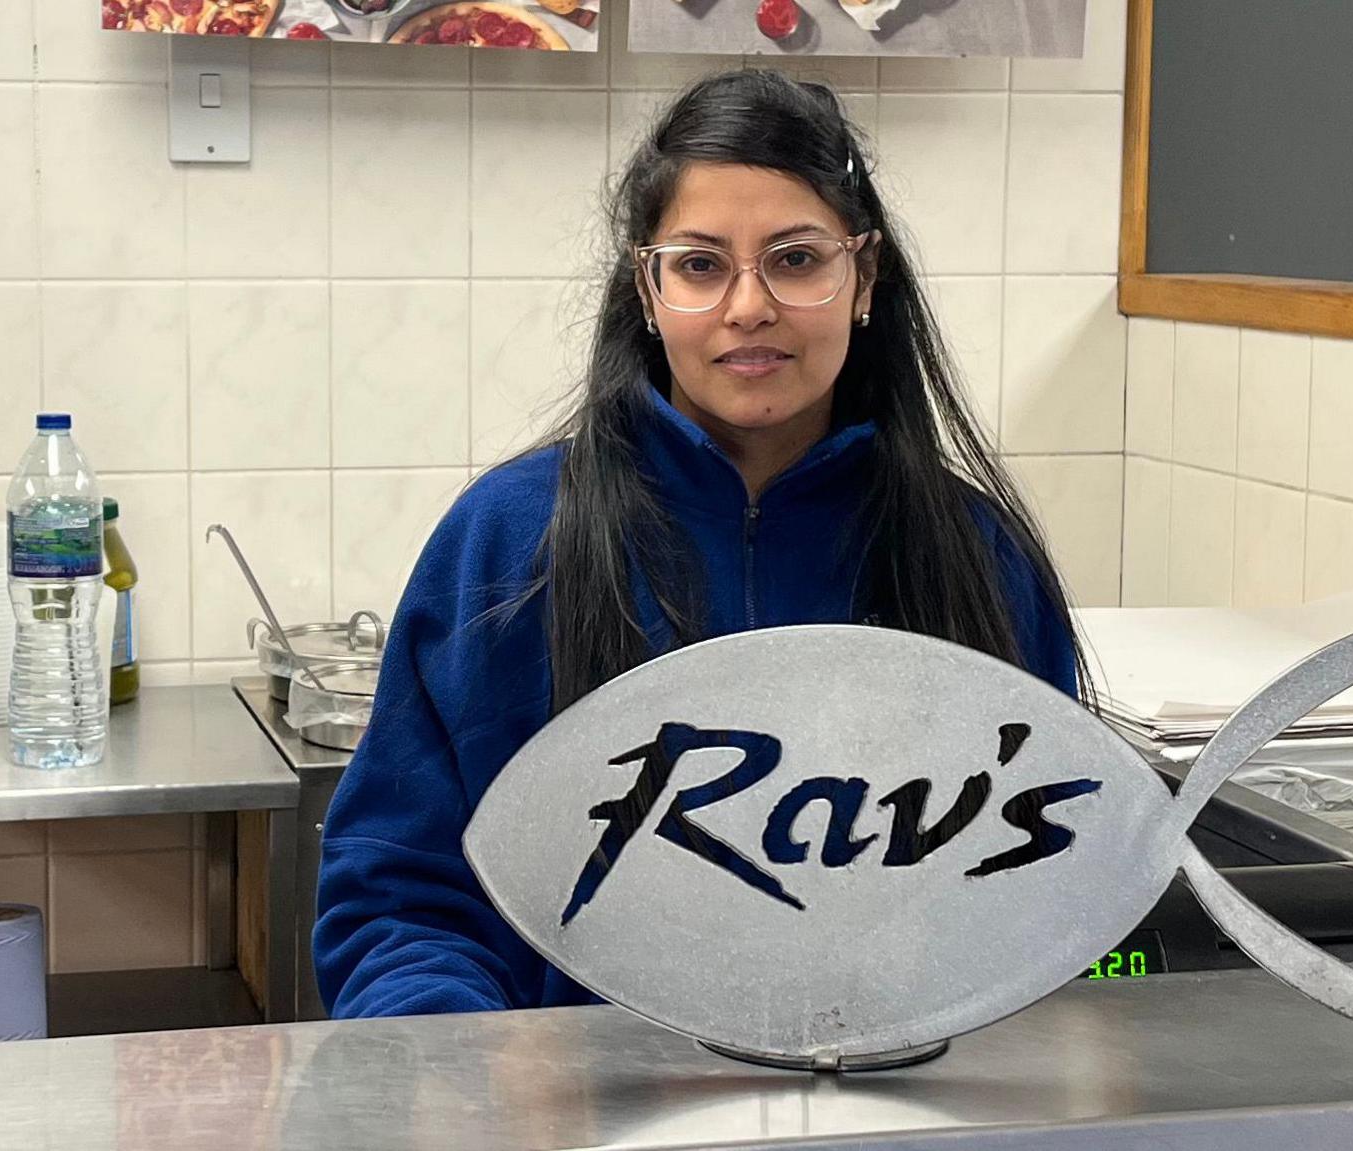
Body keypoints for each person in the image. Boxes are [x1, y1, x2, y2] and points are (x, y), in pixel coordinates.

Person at [313, 69, 1089, 1019]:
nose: (749, 306)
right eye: (700, 263)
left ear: (864, 278)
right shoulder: (511, 542)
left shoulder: (976, 556)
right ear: (648, 287)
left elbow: (1060, 904)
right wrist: (461, 1061)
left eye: (797, 259)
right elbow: (399, 897)